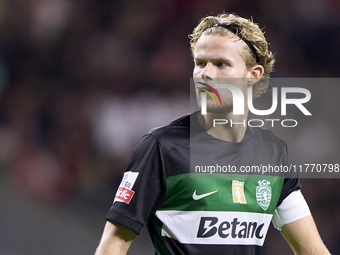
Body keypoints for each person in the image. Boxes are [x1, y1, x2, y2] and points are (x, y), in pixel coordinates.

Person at [95, 13, 331, 255]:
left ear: (254, 74)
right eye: (200, 63)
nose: (205, 74)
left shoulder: (274, 154)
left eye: (221, 64)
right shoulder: (161, 148)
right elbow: (113, 244)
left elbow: (311, 249)